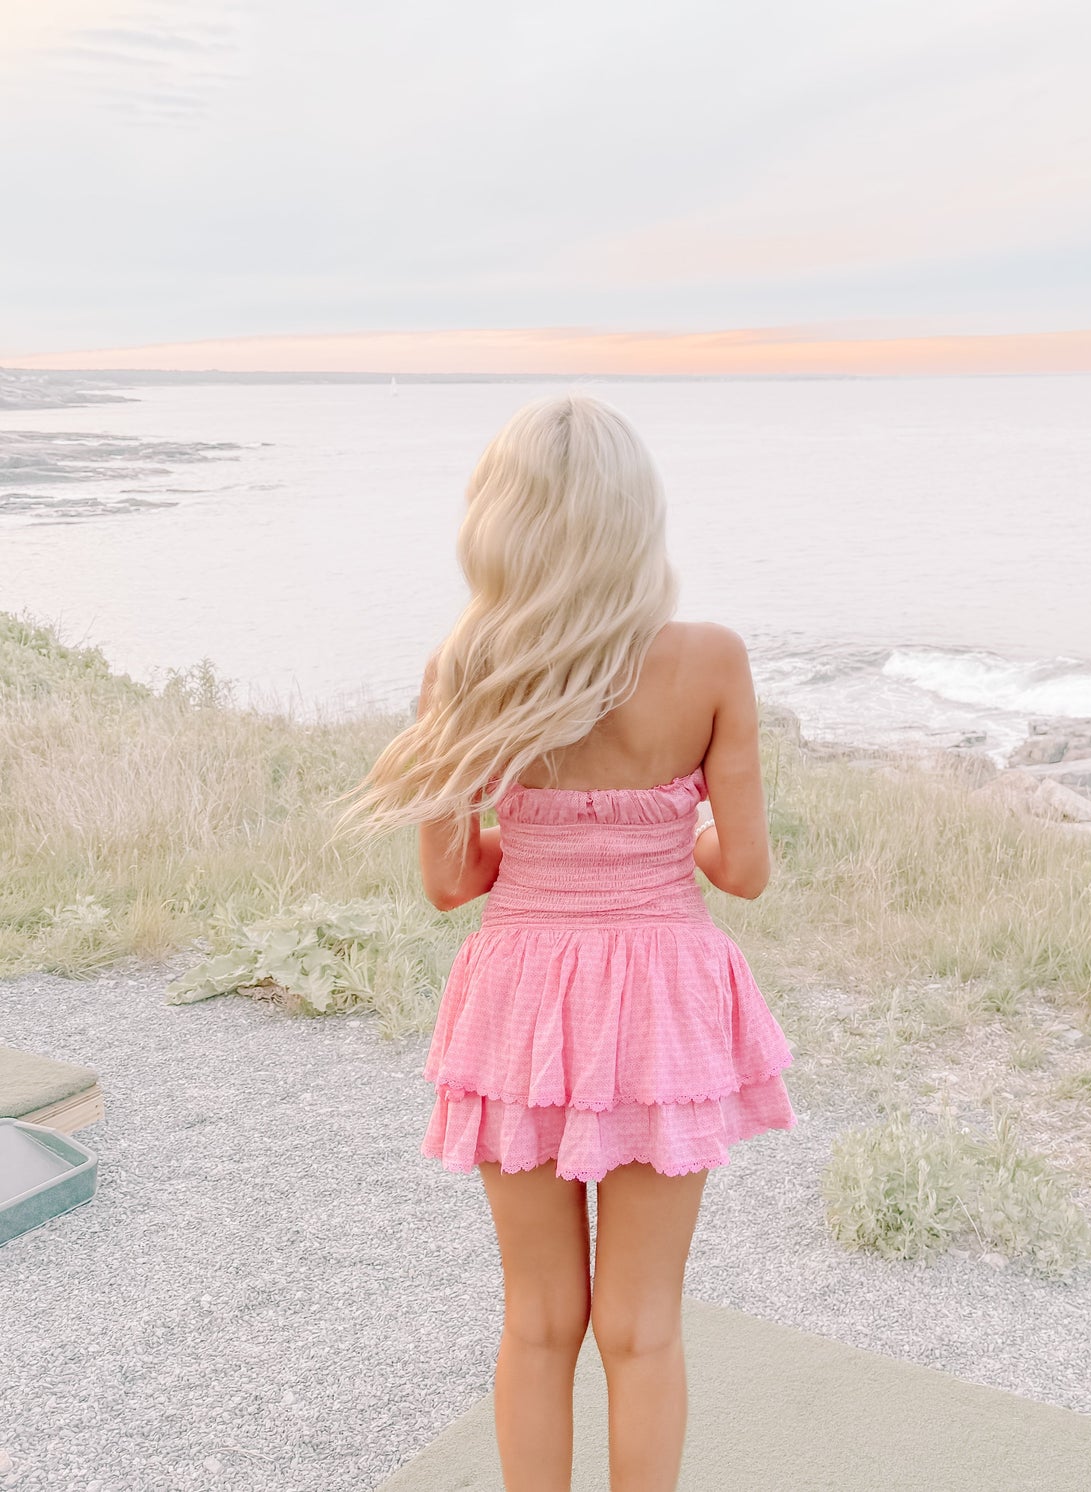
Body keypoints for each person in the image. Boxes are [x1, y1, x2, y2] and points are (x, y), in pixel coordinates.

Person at [350, 393, 796, 1492]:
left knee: (538, 1319)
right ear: (635, 517)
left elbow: (451, 880)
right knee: (641, 1326)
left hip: (520, 1002)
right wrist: (667, 835)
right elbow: (742, 868)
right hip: (659, 1003)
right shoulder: (710, 659)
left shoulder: (462, 670)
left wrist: (542, 843)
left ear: (501, 520)